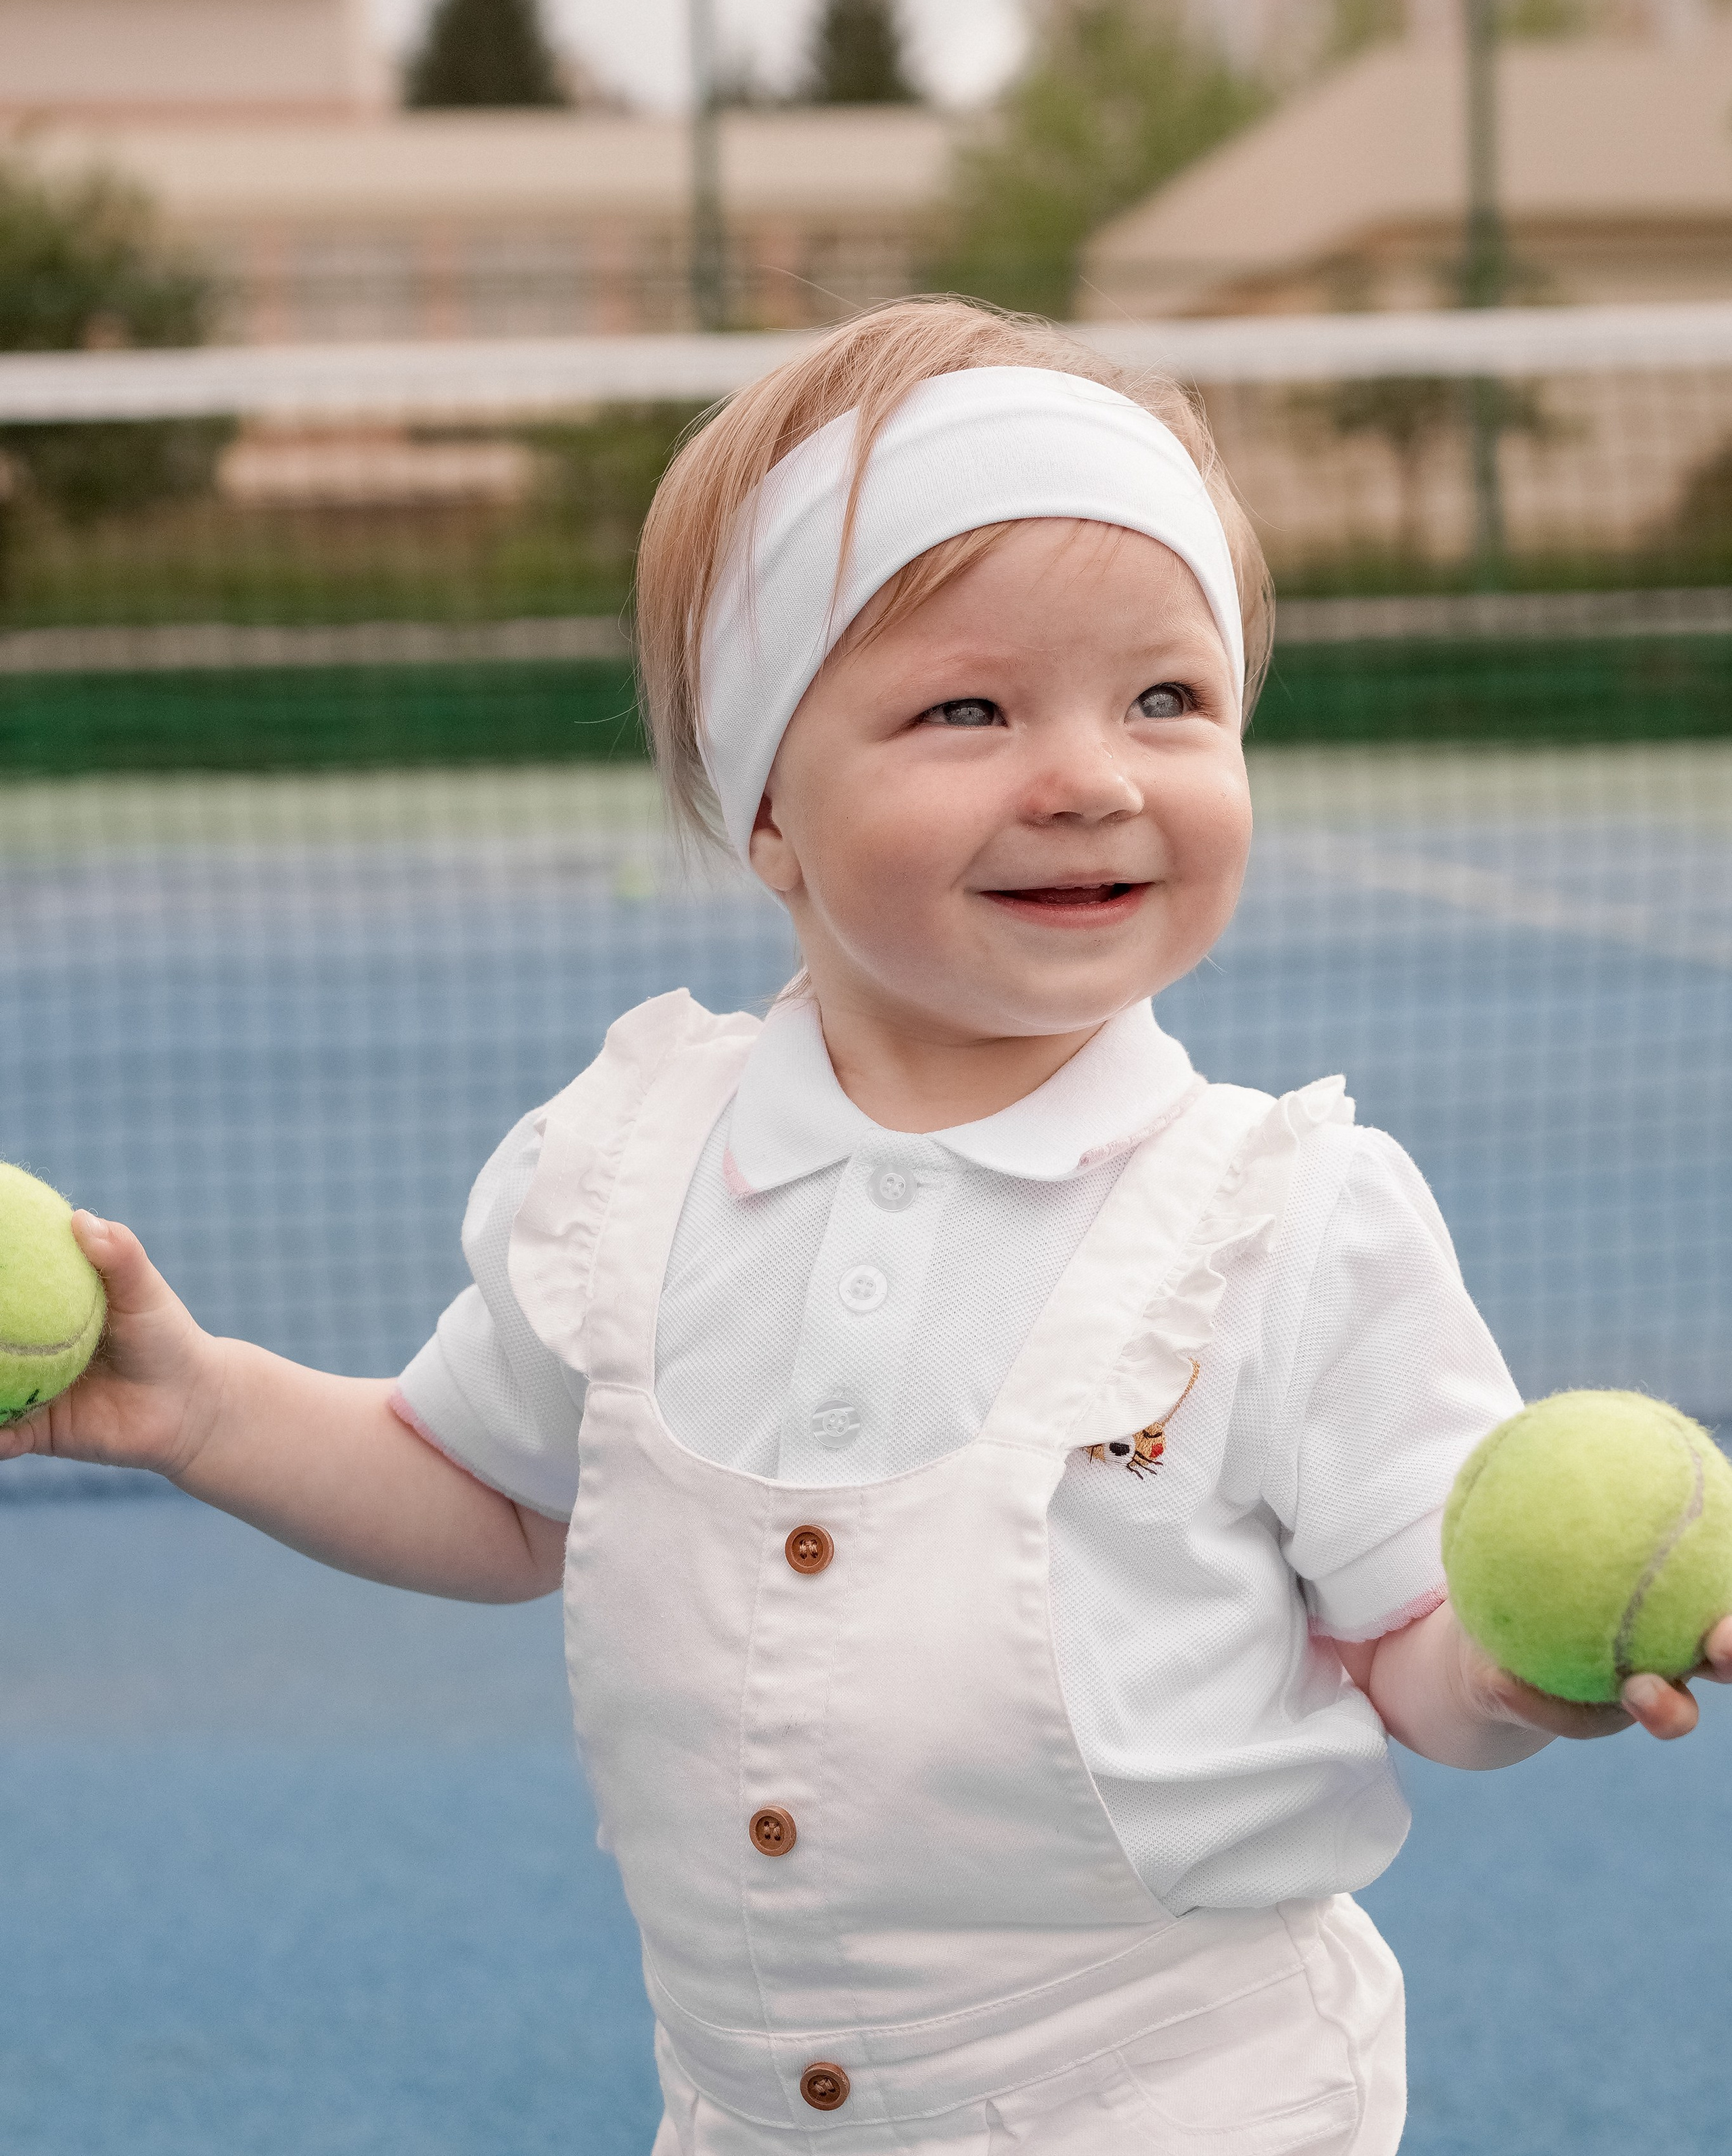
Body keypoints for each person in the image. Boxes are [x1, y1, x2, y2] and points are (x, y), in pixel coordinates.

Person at [5, 298, 1728, 2156]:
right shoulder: (625, 1161)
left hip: (1196, 2108)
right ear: (769, 812)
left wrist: (1512, 1670)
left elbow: (1415, 1656)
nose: (1091, 774)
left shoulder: (1292, 1221)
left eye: (1169, 697)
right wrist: (194, 1408)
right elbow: (490, 1488)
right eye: (966, 709)